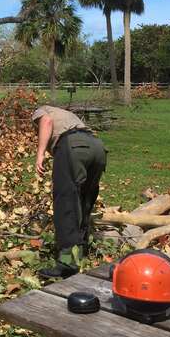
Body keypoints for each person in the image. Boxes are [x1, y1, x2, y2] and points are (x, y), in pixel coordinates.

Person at [32, 105, 107, 278]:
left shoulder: (42, 110)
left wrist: (40, 153)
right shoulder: (68, 115)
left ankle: (68, 262)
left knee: (65, 204)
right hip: (98, 148)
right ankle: (81, 250)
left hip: (73, 147)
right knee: (84, 201)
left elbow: (46, 121)